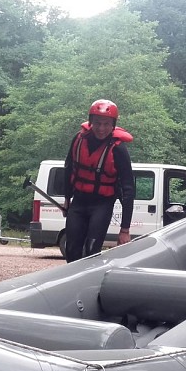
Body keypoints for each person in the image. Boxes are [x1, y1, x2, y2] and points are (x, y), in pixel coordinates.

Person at [63, 99, 135, 263]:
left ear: (113, 125)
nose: (101, 128)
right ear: (90, 122)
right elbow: (68, 168)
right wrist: (67, 198)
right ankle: (73, 286)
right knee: (72, 250)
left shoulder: (118, 149)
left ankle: (88, 283)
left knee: (91, 250)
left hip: (102, 204)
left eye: (106, 124)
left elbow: (128, 190)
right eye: (97, 123)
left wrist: (125, 229)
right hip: (79, 201)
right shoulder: (79, 139)